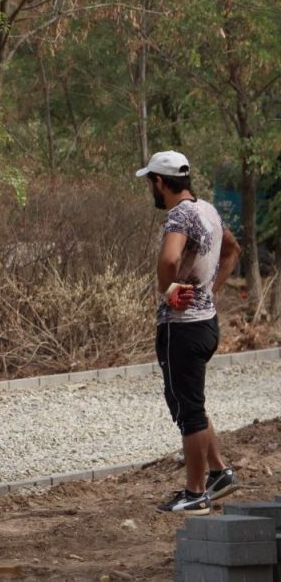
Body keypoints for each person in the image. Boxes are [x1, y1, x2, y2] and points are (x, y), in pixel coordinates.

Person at [137, 151, 242, 515]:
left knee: (189, 411)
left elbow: (169, 259)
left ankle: (195, 492)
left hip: (182, 329)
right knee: (194, 401)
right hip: (207, 323)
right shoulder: (208, 211)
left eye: (150, 181)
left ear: (161, 183)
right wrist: (210, 290)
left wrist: (169, 290)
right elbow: (232, 249)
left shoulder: (179, 216)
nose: (150, 188)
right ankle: (219, 473)